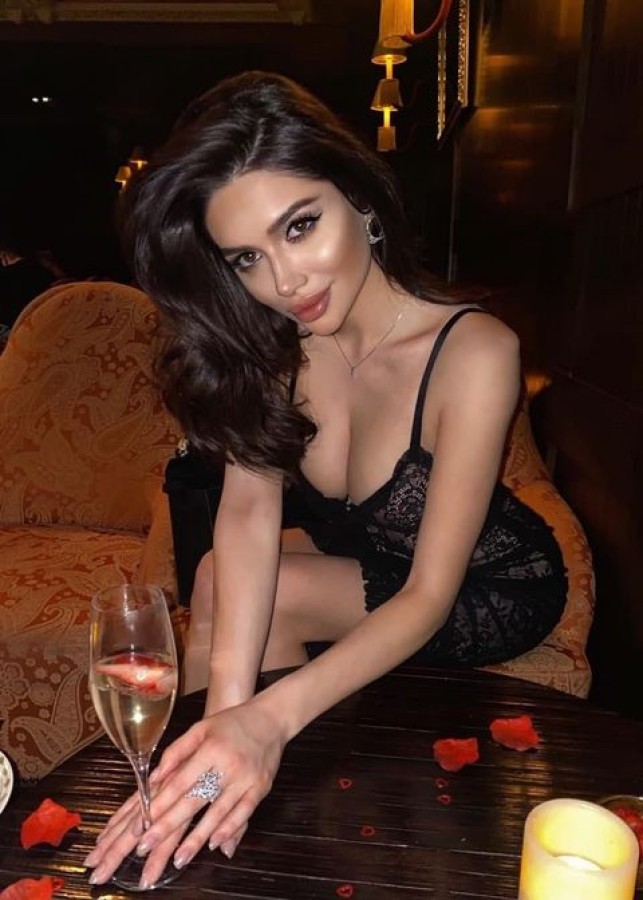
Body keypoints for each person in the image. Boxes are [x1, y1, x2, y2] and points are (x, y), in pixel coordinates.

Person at [84, 71, 567, 888]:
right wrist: (229, 720)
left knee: (267, 631)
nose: (284, 283)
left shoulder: (475, 352)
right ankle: (210, 794)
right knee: (220, 576)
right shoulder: (277, 347)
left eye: (300, 226)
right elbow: (246, 516)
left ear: (361, 201)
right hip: (374, 562)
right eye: (247, 258)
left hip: (487, 586)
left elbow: (428, 593)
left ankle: (241, 804)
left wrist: (268, 718)